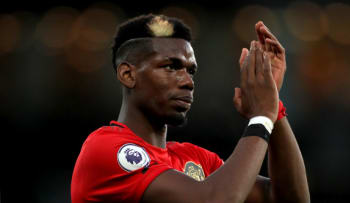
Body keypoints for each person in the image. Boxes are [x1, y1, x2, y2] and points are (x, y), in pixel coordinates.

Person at [71, 14, 310, 203]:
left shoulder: (194, 159)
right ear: (128, 74)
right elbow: (216, 198)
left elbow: (287, 198)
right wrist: (261, 117)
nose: (188, 81)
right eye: (171, 66)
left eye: (190, 70)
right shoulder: (104, 149)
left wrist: (273, 107)